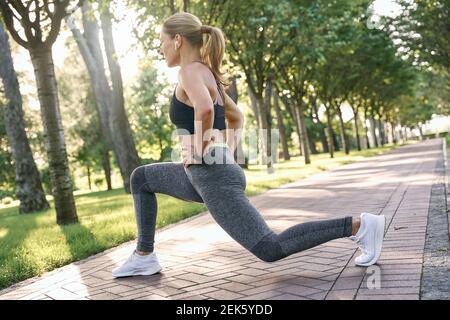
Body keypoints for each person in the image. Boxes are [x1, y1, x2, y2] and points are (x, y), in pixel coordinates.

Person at [112, 12, 385, 278]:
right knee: (142, 178)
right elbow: (236, 117)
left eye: (162, 41)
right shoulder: (206, 74)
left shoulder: (189, 72)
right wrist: (224, 152)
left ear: (178, 40)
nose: (161, 49)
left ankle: (360, 226)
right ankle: (144, 257)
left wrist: (199, 151)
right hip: (204, 172)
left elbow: (206, 110)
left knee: (270, 247)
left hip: (210, 174)